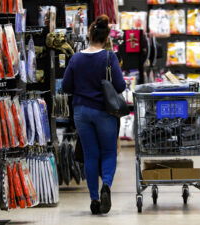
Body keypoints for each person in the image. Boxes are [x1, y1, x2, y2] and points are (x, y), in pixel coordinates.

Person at [62, 15, 126, 214]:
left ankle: (94, 199)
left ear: (89, 34)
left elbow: (66, 86)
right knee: (108, 152)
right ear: (107, 37)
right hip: (104, 111)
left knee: (90, 155)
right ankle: (106, 185)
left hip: (81, 111)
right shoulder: (109, 57)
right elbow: (120, 86)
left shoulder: (76, 57)